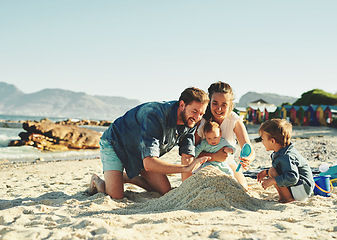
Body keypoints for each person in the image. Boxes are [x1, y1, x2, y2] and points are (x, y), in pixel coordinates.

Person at [89, 87, 210, 199]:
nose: (198, 117)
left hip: (141, 152)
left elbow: (187, 156)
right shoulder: (154, 115)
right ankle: (97, 180)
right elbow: (149, 163)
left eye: (201, 114)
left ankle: (129, 177)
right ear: (182, 105)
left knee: (165, 190)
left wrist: (185, 192)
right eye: (195, 111)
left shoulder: (190, 122)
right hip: (115, 143)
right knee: (116, 197)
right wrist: (185, 168)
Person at [184, 81, 255, 189]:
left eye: (224, 104)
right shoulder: (202, 121)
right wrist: (214, 157)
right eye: (215, 103)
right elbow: (192, 153)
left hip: (228, 163)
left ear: (230, 104)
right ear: (209, 101)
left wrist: (247, 159)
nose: (219, 108)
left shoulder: (234, 120)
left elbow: (248, 148)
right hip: (204, 164)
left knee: (242, 188)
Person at [257, 119, 315, 203]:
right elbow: (282, 169)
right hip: (299, 188)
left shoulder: (287, 156)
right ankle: (283, 197)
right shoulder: (282, 152)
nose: (262, 141)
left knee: (273, 171)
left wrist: (273, 180)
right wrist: (266, 172)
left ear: (272, 141)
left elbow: (292, 177)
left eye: (262, 139)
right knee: (271, 171)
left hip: (302, 189)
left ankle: (287, 199)